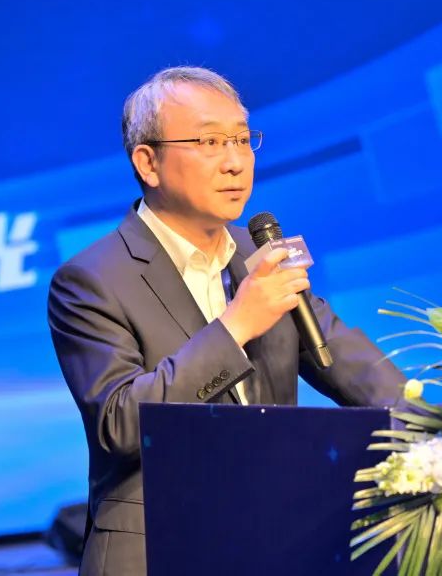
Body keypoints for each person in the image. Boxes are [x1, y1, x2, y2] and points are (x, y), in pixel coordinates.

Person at [47, 66, 406, 575]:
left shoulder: (260, 254)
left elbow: (355, 369)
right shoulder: (90, 279)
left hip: (271, 541)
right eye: (210, 142)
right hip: (156, 550)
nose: (236, 162)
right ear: (148, 162)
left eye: (242, 139)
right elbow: (119, 425)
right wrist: (236, 326)